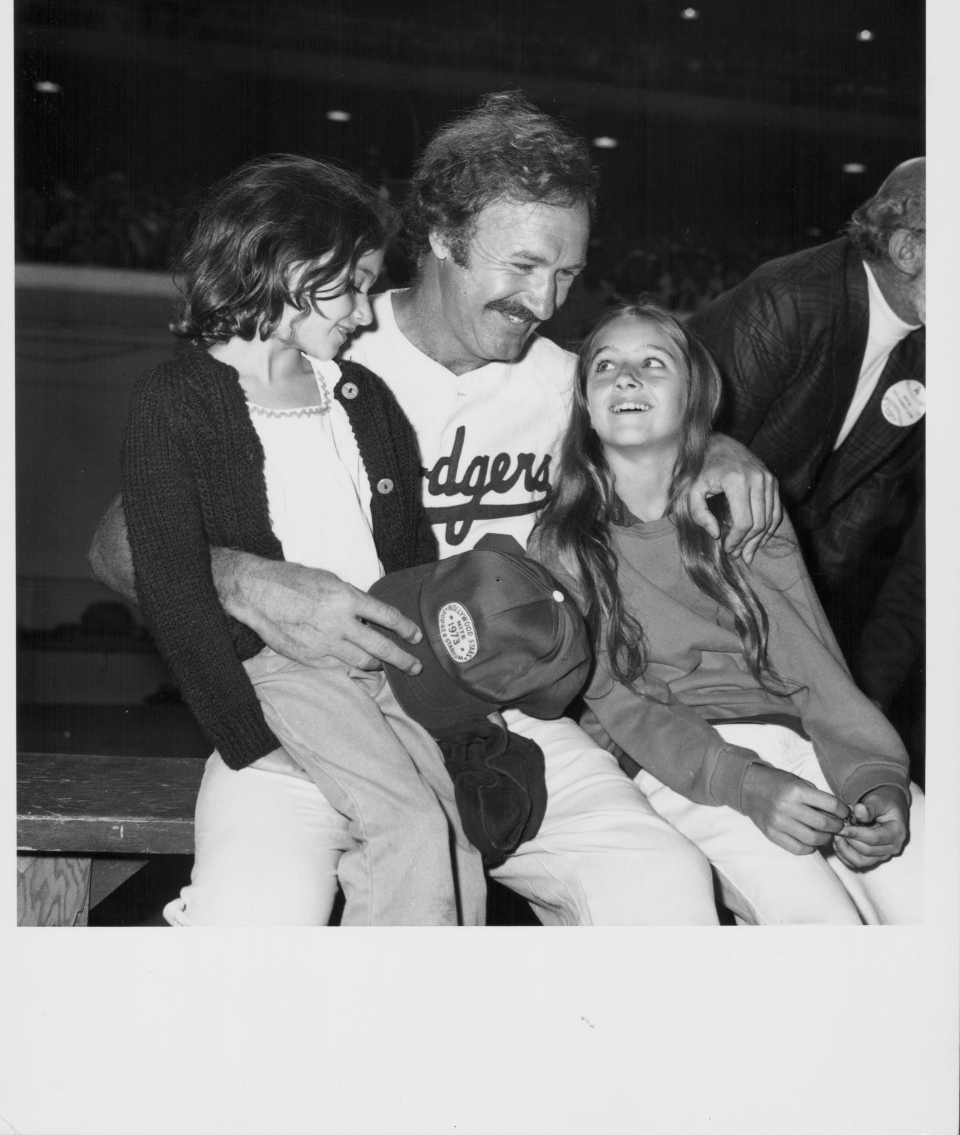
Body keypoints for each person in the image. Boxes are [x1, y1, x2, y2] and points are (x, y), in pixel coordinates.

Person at [90, 92, 778, 926]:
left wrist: (726, 453)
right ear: (444, 239)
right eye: (522, 266)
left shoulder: (572, 383)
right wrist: (246, 579)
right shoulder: (323, 342)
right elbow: (119, 542)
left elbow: (680, 436)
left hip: (492, 718)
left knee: (662, 884)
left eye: (567, 271)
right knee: (257, 915)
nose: (548, 299)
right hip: (304, 701)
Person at [119, 153, 486, 926]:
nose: (365, 308)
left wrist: (437, 686)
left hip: (384, 664)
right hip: (286, 670)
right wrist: (247, 739)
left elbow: (410, 551)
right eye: (351, 284)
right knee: (408, 830)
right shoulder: (175, 401)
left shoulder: (362, 394)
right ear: (284, 266)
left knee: (457, 839)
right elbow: (174, 587)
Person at [531, 300, 923, 923]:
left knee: (930, 896)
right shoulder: (565, 545)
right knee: (823, 924)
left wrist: (875, 778)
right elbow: (629, 707)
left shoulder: (742, 505)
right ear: (583, 401)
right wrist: (748, 783)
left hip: (802, 735)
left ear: (694, 397)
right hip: (688, 765)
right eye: (604, 366)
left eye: (652, 364)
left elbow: (815, 664)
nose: (625, 377)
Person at [687, 159, 925, 711]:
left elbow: (859, 507)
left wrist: (800, 633)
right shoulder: (790, 298)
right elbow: (683, 458)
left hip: (777, 581)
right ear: (908, 252)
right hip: (691, 562)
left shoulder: (931, 346)